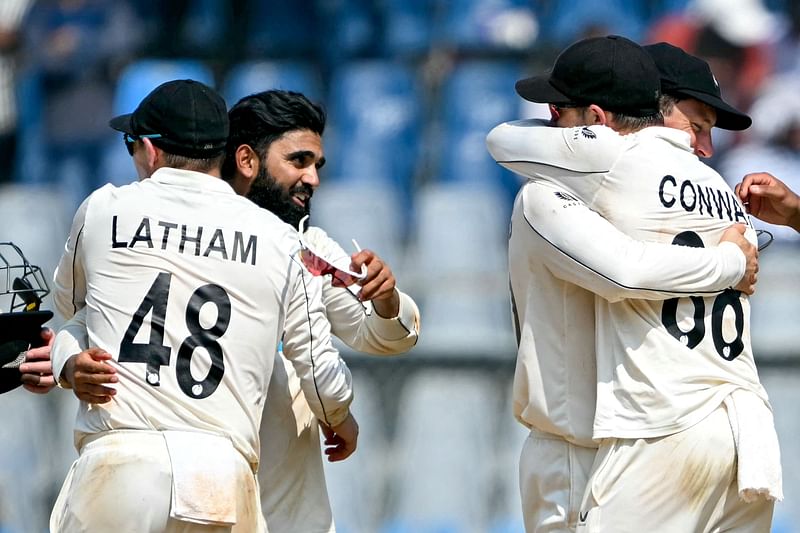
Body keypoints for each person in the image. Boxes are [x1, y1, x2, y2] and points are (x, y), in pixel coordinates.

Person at [487, 35, 779, 532]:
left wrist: (728, 264)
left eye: (559, 112)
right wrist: (732, 258)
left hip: (629, 434)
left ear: (598, 122)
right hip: (746, 434)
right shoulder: (722, 190)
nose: (552, 123)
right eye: (697, 125)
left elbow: (502, 138)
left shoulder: (603, 169)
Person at [48, 79, 356, 532]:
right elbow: (316, 364)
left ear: (150, 151)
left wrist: (68, 362)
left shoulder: (104, 209)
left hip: (121, 462)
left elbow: (71, 305)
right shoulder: (279, 238)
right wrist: (340, 417)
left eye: (132, 144)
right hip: (221, 475)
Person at [222, 89, 420, 533]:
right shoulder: (195, 242)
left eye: (317, 166)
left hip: (287, 505)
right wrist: (338, 416)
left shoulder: (311, 248)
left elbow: (381, 337)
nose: (312, 178)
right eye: (298, 161)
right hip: (210, 490)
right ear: (247, 160)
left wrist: (387, 300)